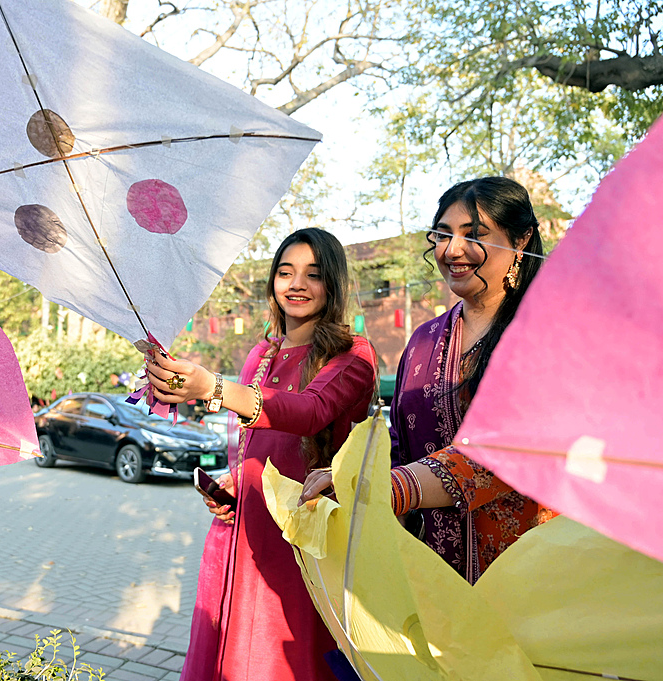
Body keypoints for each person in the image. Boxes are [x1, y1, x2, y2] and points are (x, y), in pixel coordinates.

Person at [146, 228, 376, 681]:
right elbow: (257, 443)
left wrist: (213, 386)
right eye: (285, 272)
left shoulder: (353, 354)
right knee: (236, 650)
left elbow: (310, 412)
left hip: (305, 533)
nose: (296, 284)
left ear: (333, 283)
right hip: (247, 524)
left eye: (313, 274)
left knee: (284, 652)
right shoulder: (262, 354)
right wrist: (232, 480)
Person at [301, 177, 555, 584]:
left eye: (475, 234)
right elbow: (401, 444)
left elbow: (509, 452)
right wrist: (354, 476)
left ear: (521, 240)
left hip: (526, 570)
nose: (452, 250)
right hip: (430, 567)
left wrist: (388, 486)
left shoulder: (547, 332)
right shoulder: (423, 340)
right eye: (443, 234)